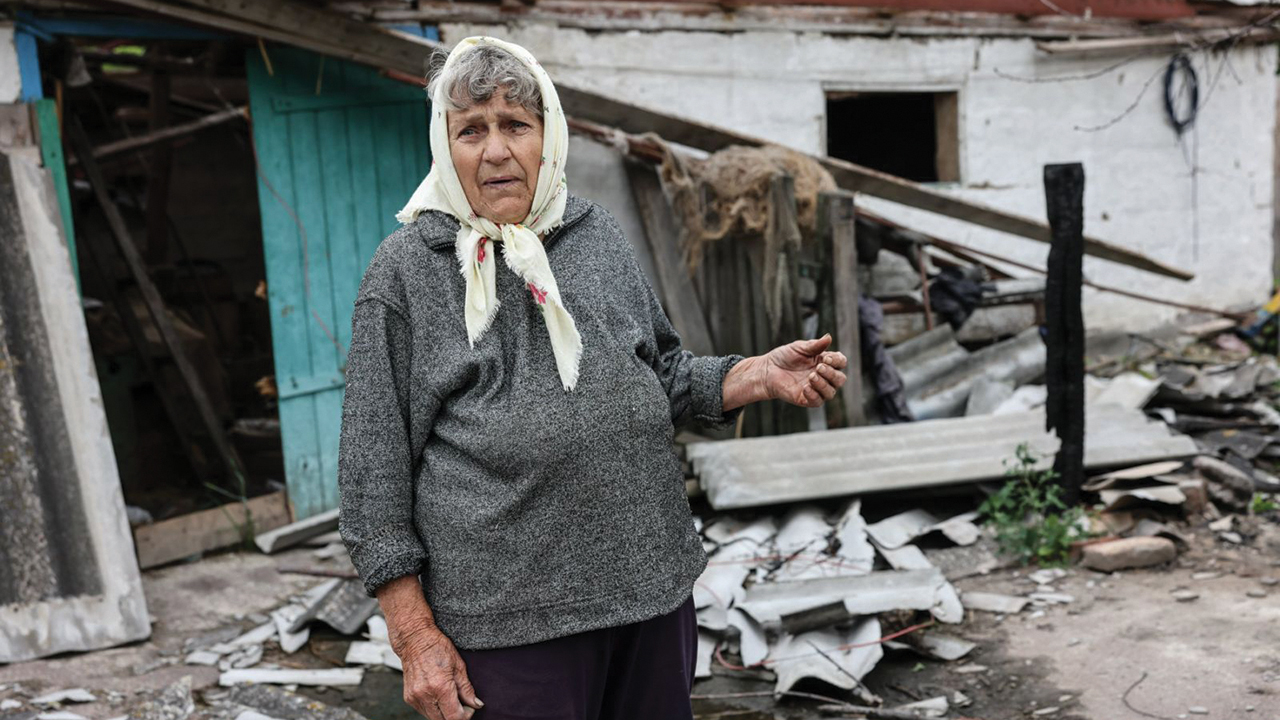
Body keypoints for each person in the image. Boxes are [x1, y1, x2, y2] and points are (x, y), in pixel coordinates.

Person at [337, 36, 849, 720]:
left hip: (650, 594)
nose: (496, 151)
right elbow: (371, 474)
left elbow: (660, 374)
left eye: (516, 124)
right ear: (443, 144)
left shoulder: (593, 235)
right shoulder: (407, 272)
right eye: (471, 130)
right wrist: (413, 636)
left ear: (548, 135)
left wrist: (753, 375)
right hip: (508, 628)